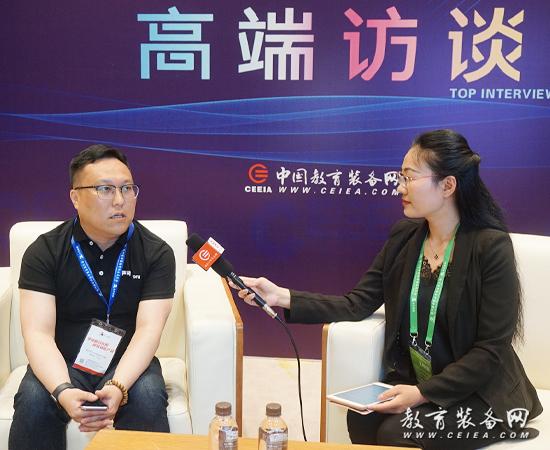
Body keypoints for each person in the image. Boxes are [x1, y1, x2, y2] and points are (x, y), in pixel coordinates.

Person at [231, 130, 542, 449]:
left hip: (481, 393)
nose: (399, 187)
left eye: (410, 177)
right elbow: (356, 303)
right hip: (423, 380)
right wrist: (280, 296)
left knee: (396, 432)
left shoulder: (490, 247)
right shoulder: (405, 237)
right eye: (400, 176)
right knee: (361, 418)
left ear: (448, 185)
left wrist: (421, 394)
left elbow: (490, 351)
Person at [9, 144, 176, 450]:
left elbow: (149, 329)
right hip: (63, 360)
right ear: (75, 197)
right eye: (105, 189)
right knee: (33, 400)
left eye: (127, 188)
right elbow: (37, 333)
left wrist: (118, 385)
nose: (120, 200)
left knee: (148, 395)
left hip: (128, 362)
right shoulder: (44, 251)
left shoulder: (156, 252)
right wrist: (62, 389)